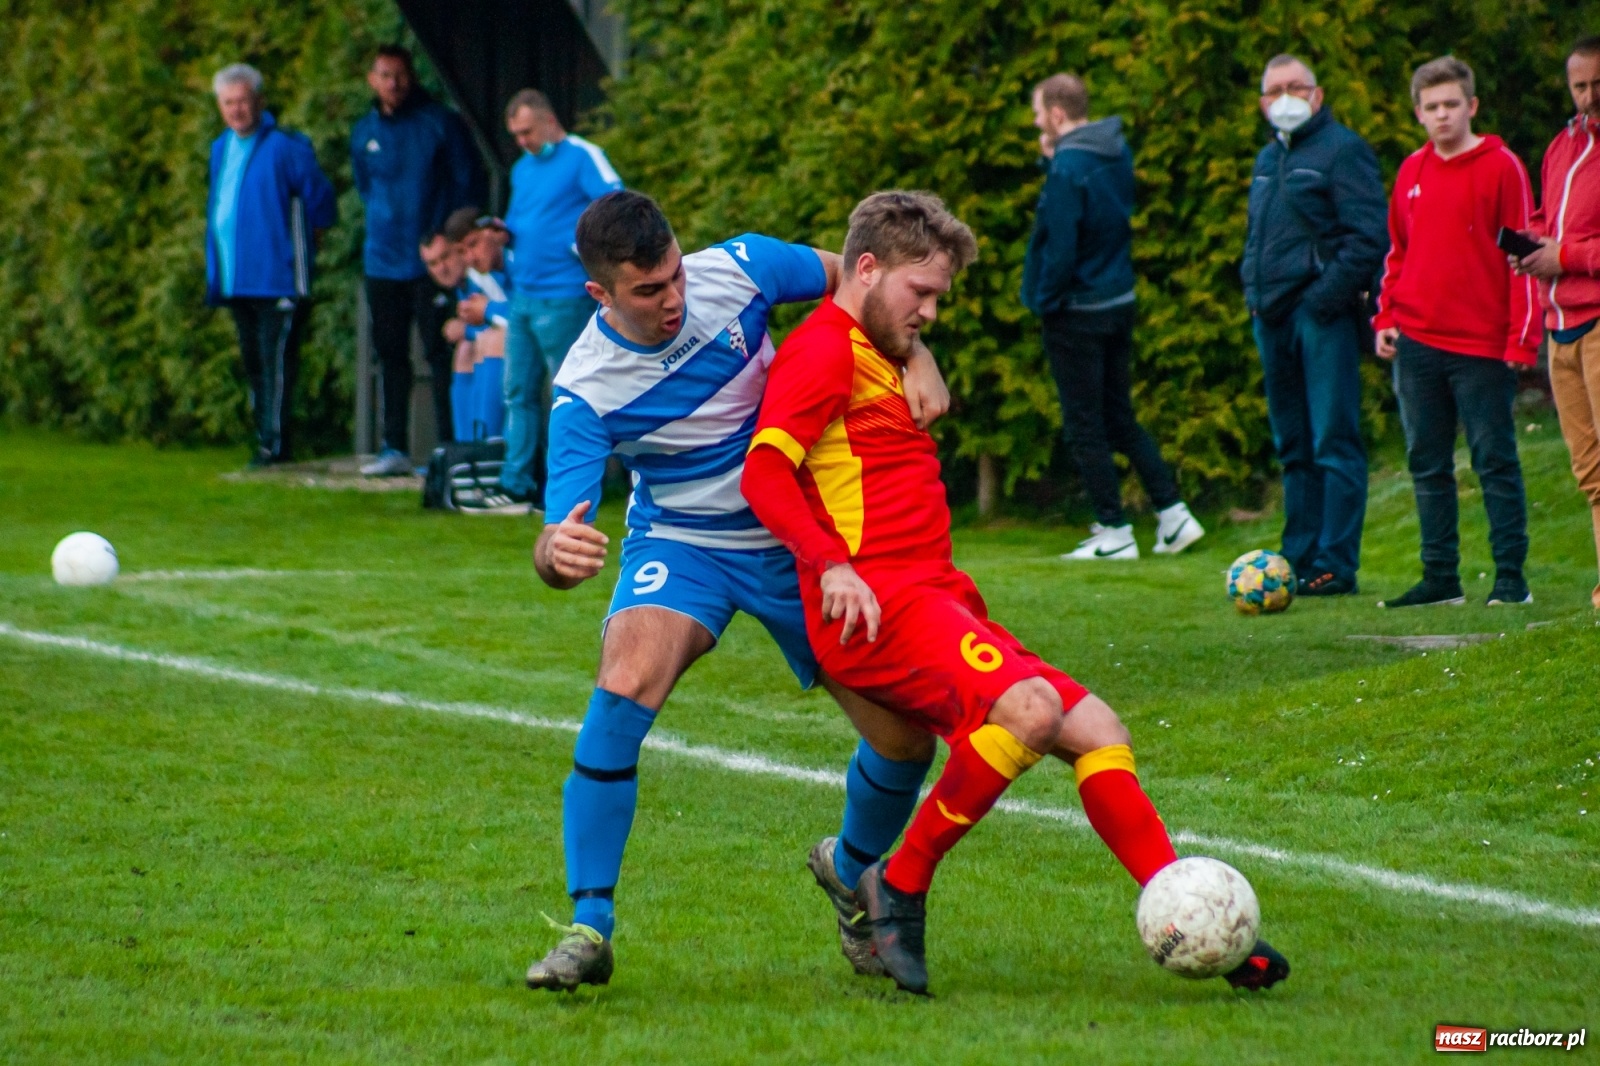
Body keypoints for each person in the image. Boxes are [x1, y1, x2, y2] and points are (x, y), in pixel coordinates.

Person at [741, 190, 1289, 996]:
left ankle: (1191, 911)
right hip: (878, 603)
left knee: (1099, 729)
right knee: (1028, 711)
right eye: (919, 293)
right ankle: (901, 885)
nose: (930, 312)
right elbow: (763, 470)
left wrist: (914, 349)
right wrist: (833, 564)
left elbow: (889, 349)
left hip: (936, 598)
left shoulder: (877, 342)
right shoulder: (822, 351)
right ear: (865, 268)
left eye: (938, 298)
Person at [523, 191, 955, 992]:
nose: (674, 299)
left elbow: (862, 283)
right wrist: (558, 551)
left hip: (801, 537)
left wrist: (912, 352)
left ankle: (851, 868)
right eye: (648, 292)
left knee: (905, 740)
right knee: (623, 685)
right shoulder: (585, 393)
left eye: (675, 275)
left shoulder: (741, 268)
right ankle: (590, 925)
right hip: (684, 544)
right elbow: (559, 534)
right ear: (601, 295)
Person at [1372, 57, 1540, 608]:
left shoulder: (1502, 167)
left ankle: (1511, 578)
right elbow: (1398, 252)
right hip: (1417, 340)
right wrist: (1387, 317)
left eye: (1451, 105)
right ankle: (1440, 576)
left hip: (1482, 346)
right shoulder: (1411, 171)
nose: (1442, 115)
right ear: (1418, 114)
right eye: (1431, 107)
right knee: (1427, 460)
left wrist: (1521, 338)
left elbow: (1525, 255)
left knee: (1494, 459)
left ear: (1471, 107)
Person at [1022, 74, 1203, 560]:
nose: (1038, 122)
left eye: (1040, 113)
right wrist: (1050, 159)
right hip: (1117, 300)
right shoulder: (1113, 151)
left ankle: (1114, 530)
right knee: (1119, 414)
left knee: (1085, 423)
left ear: (1057, 115)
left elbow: (1060, 241)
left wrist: (1044, 300)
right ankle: (1173, 514)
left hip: (1075, 310)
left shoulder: (1069, 166)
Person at [1242, 55, 1389, 596]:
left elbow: (1368, 237)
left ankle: (1335, 563)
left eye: (1295, 87)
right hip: (1271, 314)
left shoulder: (1343, 150)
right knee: (1293, 444)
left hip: (1318, 315)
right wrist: (1254, 295)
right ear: (1262, 102)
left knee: (1334, 438)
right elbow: (1258, 238)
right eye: (1274, 89)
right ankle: (1296, 557)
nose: (1284, 97)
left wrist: (1323, 301)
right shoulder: (1266, 159)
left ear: (1317, 95)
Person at [351, 45, 484, 475]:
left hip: (432, 263)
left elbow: (469, 185)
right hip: (382, 261)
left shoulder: (440, 124)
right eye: (385, 75)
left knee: (441, 350)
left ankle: (447, 449)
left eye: (401, 75)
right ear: (372, 79)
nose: (394, 83)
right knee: (390, 355)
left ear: (412, 76)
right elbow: (365, 187)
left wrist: (446, 240)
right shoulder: (363, 132)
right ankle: (394, 447)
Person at [490, 88, 624, 510]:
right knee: (517, 391)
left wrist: (577, 247)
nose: (522, 141)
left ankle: (567, 489)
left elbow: (615, 203)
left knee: (569, 393)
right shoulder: (521, 169)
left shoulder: (583, 156)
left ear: (549, 121)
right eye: (515, 134)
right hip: (523, 294)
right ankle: (515, 484)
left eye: (527, 131)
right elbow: (524, 219)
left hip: (565, 295)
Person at [205, 63, 336, 467]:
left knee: (276, 362)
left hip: (278, 276)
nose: (237, 109)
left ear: (259, 101)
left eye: (243, 101)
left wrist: (306, 244)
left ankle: (274, 446)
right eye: (229, 103)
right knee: (253, 363)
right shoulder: (221, 147)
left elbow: (320, 200)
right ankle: (262, 437)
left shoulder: (285, 146)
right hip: (236, 277)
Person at [1516, 36, 1600, 608]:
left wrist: (1564, 256)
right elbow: (1551, 217)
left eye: (1599, 84)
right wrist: (1529, 243)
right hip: (1560, 326)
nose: (1590, 97)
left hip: (1597, 319)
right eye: (1580, 86)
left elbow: (1574, 245)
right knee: (1590, 469)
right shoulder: (1560, 146)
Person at [417, 227, 477, 443]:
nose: (442, 268)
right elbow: (432, 348)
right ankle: (452, 447)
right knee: (442, 373)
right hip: (450, 366)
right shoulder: (426, 291)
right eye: (433, 263)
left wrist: (469, 330)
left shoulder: (481, 276)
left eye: (445, 257)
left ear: (458, 250)